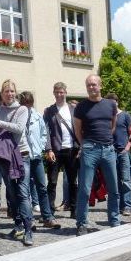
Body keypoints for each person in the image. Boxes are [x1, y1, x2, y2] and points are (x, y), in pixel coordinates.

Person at [0, 79, 34, 246]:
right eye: (6, 91)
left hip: (22, 155)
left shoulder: (22, 109)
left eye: (12, 91)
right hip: (4, 157)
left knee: (22, 193)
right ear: (2, 94)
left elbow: (19, 128)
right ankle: (18, 225)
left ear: (16, 92)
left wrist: (0, 124)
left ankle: (28, 230)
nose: (10, 94)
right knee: (12, 195)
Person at [74, 74, 119, 236]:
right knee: (85, 189)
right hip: (89, 149)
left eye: (94, 84)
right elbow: (77, 130)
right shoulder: (81, 107)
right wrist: (85, 144)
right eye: (88, 85)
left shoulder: (110, 105)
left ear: (100, 86)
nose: (91, 87)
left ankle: (114, 221)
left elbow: (112, 126)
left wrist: (105, 140)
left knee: (113, 188)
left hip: (108, 149)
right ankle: (81, 223)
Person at [19, 91, 61, 229]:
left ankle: (47, 217)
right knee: (25, 190)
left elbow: (44, 132)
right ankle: (28, 219)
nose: (27, 106)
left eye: (29, 104)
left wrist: (41, 146)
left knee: (42, 187)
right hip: (23, 156)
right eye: (24, 104)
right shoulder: (17, 116)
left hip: (36, 156)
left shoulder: (37, 116)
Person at [44, 83, 79, 218]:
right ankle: (50, 211)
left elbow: (79, 127)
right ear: (54, 93)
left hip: (71, 149)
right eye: (57, 92)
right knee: (52, 182)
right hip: (55, 150)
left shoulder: (73, 109)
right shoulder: (49, 111)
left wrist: (80, 146)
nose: (59, 95)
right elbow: (46, 131)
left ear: (66, 93)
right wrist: (48, 149)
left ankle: (74, 209)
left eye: (62, 92)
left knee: (72, 181)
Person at [105, 93, 131, 216]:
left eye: (113, 102)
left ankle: (126, 206)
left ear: (117, 102)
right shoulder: (106, 117)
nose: (112, 104)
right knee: (113, 181)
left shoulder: (125, 115)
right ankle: (116, 206)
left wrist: (127, 148)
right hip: (110, 152)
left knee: (126, 180)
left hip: (123, 152)